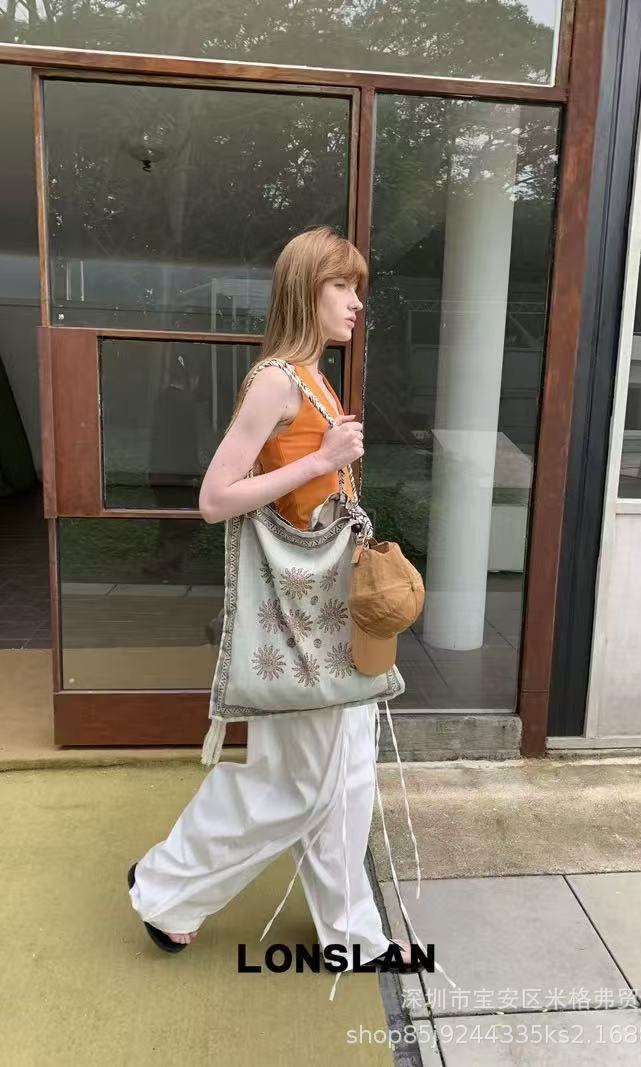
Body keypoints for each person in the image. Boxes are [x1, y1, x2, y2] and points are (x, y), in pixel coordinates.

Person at [127, 226, 414, 993]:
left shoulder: (314, 380)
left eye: (357, 287)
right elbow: (214, 498)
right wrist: (323, 459)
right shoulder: (277, 381)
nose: (356, 302)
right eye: (342, 286)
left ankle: (350, 932)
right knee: (299, 783)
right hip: (301, 620)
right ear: (304, 290)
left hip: (330, 613)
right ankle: (166, 884)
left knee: (346, 776)